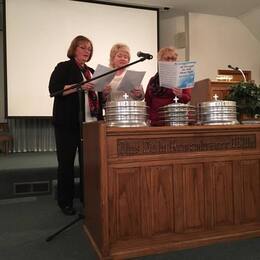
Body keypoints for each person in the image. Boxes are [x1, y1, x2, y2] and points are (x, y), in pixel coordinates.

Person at [49, 35, 101, 215]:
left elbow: (96, 97)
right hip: (67, 123)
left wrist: (103, 90)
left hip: (89, 124)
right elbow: (54, 90)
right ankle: (66, 202)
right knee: (66, 163)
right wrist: (80, 86)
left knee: (88, 164)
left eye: (89, 49)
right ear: (74, 49)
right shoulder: (64, 67)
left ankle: (88, 199)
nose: (87, 51)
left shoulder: (92, 71)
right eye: (83, 48)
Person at [145, 47, 191, 126]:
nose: (170, 61)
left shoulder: (182, 76)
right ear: (160, 61)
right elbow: (147, 101)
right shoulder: (153, 80)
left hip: (176, 120)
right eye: (167, 59)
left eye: (173, 59)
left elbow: (187, 98)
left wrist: (180, 95)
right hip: (156, 122)